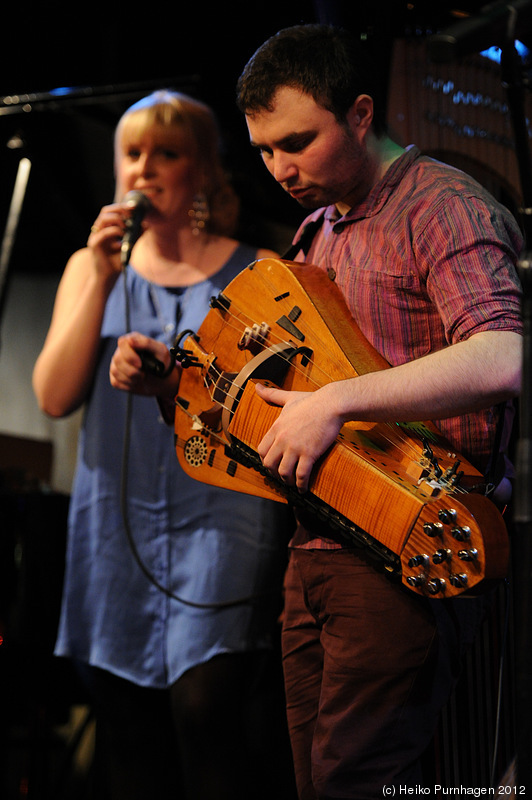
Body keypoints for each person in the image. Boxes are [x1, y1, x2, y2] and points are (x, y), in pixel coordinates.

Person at [235, 24, 523, 800]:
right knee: (318, 782)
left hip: (409, 543)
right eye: (264, 150)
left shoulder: (444, 208)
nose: (280, 169)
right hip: (317, 545)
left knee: (356, 783)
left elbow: (505, 356)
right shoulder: (316, 230)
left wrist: (336, 402)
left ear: (361, 114)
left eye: (298, 140)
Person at [32, 90, 296, 800]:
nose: (145, 169)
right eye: (132, 153)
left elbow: (273, 412)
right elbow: (53, 396)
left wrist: (175, 382)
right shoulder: (91, 268)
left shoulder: (257, 271)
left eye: (167, 153)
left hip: (222, 515)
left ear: (205, 171)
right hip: (115, 519)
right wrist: (100, 274)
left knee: (207, 713)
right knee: (127, 725)